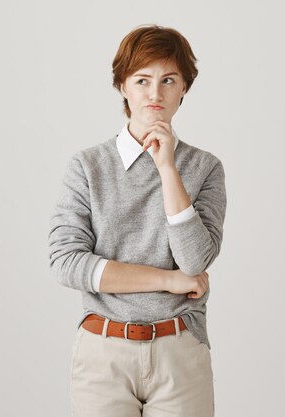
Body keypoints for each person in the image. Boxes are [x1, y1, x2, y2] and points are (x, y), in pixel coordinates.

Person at [47, 24, 227, 417]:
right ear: (123, 87)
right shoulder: (88, 166)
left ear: (184, 89)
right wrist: (167, 280)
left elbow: (195, 261)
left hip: (180, 350)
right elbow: (66, 263)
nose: (155, 93)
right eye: (142, 80)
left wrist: (167, 168)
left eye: (168, 80)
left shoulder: (205, 168)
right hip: (103, 352)